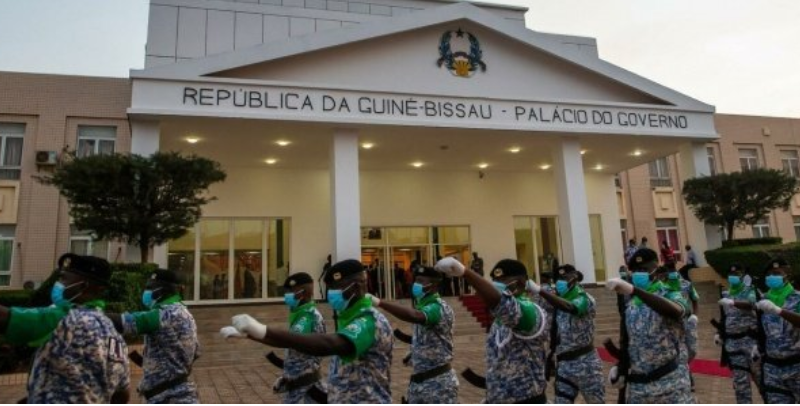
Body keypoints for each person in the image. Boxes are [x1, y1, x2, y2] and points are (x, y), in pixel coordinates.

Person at [221, 259, 393, 403]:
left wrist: (263, 330)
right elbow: (292, 342)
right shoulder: (349, 319)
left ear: (356, 287)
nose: (331, 294)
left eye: (338, 288)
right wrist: (252, 334)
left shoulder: (369, 320)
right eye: (331, 289)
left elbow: (327, 344)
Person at [0, 254, 130, 403]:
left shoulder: (63, 319)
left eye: (63, 278)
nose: (58, 284)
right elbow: (122, 394)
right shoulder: (114, 334)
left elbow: (5, 318)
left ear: (83, 286)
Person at [436, 257, 547, 403]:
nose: (496, 286)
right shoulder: (499, 320)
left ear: (521, 282)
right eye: (494, 282)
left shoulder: (530, 311)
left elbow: (503, 303)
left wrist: (465, 273)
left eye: (503, 281)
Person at [605, 248, 692, 403]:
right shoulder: (631, 305)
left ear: (656, 271)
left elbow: (678, 311)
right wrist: (620, 368)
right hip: (639, 388)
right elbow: (627, 343)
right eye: (636, 270)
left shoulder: (670, 293)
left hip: (670, 385)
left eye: (644, 269)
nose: (639, 274)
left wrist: (634, 290)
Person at [109, 269, 199, 403]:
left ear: (163, 290)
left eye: (151, 287)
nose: (146, 292)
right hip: (178, 394)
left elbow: (125, 322)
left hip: (169, 397)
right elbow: (196, 352)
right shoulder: (183, 312)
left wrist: (87, 314)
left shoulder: (164, 314)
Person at [370, 266, 458, 403]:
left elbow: (416, 316)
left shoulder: (437, 307)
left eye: (421, 281)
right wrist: (414, 353)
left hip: (438, 384)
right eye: (416, 280)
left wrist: (380, 303)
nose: (416, 284)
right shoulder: (423, 305)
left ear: (434, 285)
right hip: (419, 382)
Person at [537, 265, 604, 403]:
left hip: (586, 364)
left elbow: (571, 307)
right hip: (564, 365)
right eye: (558, 279)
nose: (560, 282)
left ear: (574, 278)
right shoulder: (558, 300)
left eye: (564, 278)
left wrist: (540, 291)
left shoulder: (585, 298)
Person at [754, 257, 800, 403]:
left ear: (787, 274)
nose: (771, 277)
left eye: (776, 273)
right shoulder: (764, 300)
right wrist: (757, 345)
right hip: (772, 368)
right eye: (769, 275)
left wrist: (779, 311)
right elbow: (761, 328)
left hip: (796, 366)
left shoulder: (798, 298)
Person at [276, 272, 326, 403]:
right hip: (304, 378)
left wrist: (255, 332)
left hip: (303, 380)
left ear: (303, 293)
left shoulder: (307, 317)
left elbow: (290, 340)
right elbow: (296, 354)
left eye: (291, 291)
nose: (287, 295)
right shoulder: (302, 313)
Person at [716, 264, 760, 404]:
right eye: (731, 273)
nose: (734, 276)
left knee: (762, 380)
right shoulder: (725, 293)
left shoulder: (750, 290)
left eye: (737, 273)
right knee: (740, 385)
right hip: (733, 344)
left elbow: (751, 304)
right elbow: (724, 316)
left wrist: (733, 302)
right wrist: (719, 332)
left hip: (750, 343)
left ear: (743, 276)